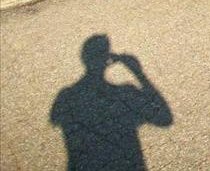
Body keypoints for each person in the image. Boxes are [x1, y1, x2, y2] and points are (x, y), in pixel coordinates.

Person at [50, 35, 172, 170]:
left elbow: (56, 119)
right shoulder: (125, 93)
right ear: (108, 59)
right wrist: (138, 72)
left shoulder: (66, 96)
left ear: (84, 59)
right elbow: (164, 119)